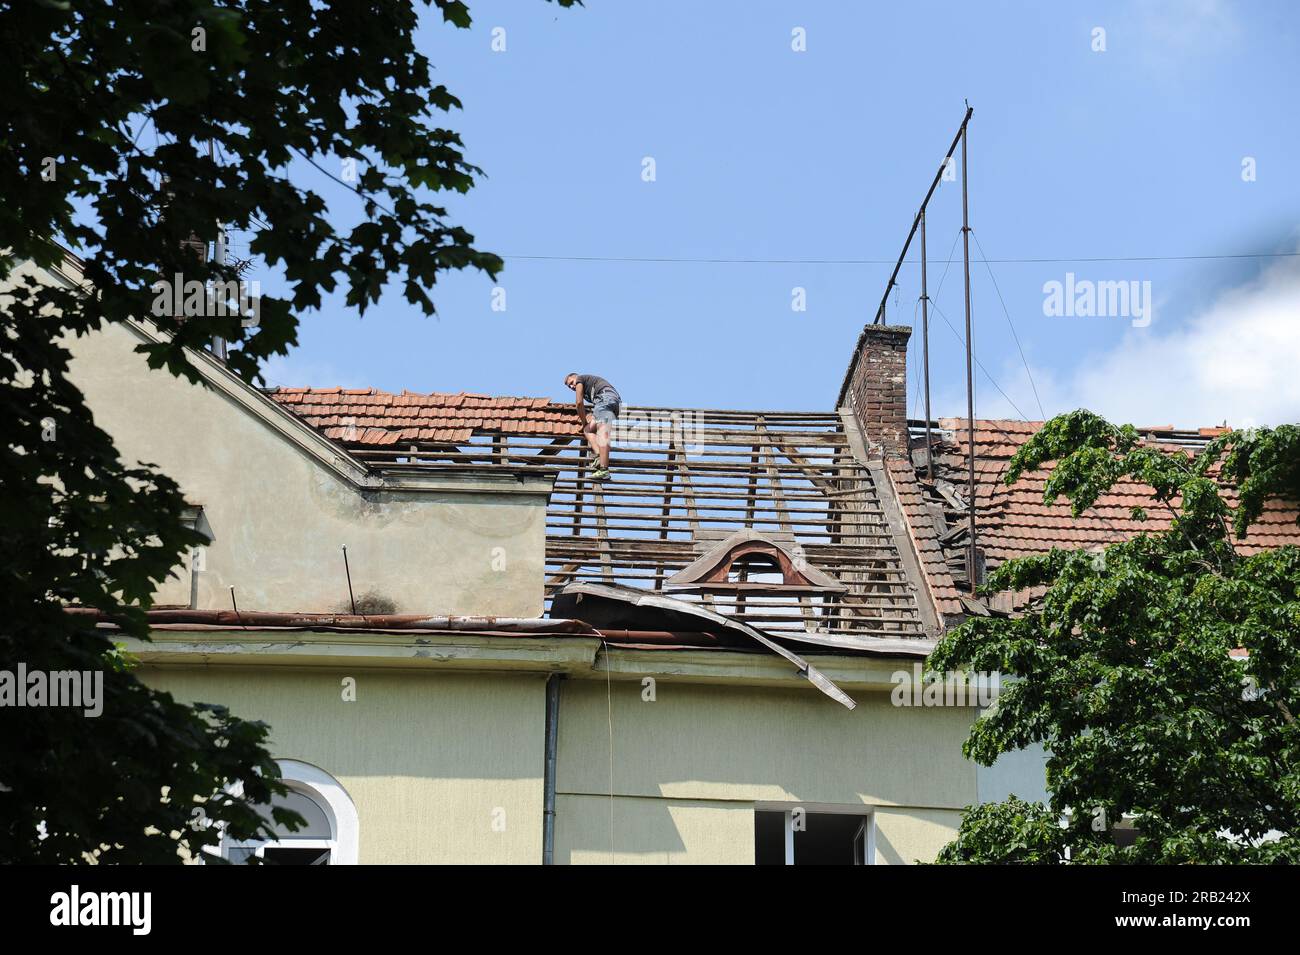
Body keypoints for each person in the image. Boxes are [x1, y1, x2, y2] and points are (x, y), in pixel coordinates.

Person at [564, 372, 620, 481]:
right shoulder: (589, 388)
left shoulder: (580, 379)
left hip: (605, 400)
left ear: (576, 377)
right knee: (588, 429)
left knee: (602, 433)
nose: (571, 387)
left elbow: (579, 403)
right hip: (612, 403)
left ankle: (604, 470)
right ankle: (599, 456)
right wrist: (586, 425)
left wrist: (584, 421)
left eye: (571, 383)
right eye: (569, 386)